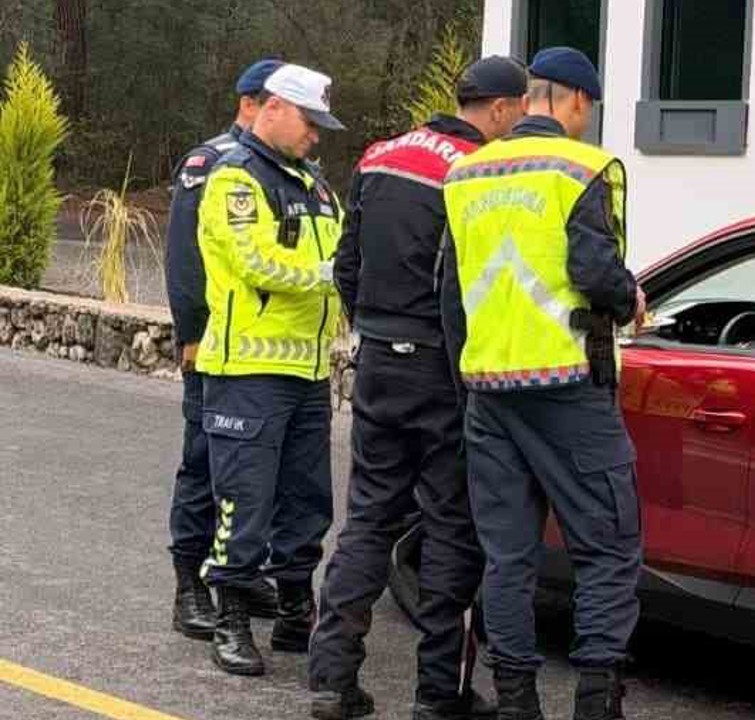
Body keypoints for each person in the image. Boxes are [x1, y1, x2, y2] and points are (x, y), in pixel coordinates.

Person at [308, 56, 528, 720]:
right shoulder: (478, 170)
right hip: (444, 369)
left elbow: (348, 264)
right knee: (451, 529)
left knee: (369, 520)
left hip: (377, 359)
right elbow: (484, 284)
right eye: (518, 110)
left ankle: (331, 681)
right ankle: (440, 693)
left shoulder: (381, 156)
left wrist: (376, 326)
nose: (520, 122)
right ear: (496, 108)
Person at [440, 47, 646, 720]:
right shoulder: (582, 167)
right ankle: (596, 700)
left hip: (489, 389)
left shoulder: (465, 173)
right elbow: (593, 269)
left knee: (507, 558)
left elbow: (451, 289)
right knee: (608, 547)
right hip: (565, 385)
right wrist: (629, 296)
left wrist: (465, 375)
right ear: (578, 102)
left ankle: (516, 702)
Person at [193, 62, 345, 677]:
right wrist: (329, 278)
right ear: (275, 108)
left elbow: (343, 250)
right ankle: (229, 613)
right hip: (247, 370)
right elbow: (255, 262)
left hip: (307, 373)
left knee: (308, 500)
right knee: (245, 500)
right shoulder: (235, 178)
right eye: (311, 122)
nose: (317, 136)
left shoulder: (316, 185)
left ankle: (292, 607)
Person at [164, 57, 285, 641]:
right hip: (213, 346)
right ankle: (189, 582)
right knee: (204, 463)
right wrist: (190, 334)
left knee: (254, 473)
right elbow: (186, 263)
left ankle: (237, 573)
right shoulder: (208, 163)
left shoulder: (281, 168)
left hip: (262, 354)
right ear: (252, 103)